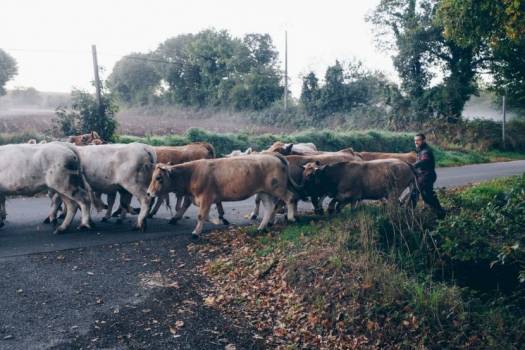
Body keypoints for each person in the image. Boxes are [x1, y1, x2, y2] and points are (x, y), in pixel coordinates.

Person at [410, 133, 446, 219]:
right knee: (426, 195)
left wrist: (413, 165)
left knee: (425, 195)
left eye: (418, 140)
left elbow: (424, 161)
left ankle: (440, 212)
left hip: (427, 176)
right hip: (424, 176)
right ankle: (436, 211)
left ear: (424, 140)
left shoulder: (426, 151)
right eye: (415, 140)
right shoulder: (421, 150)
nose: (416, 142)